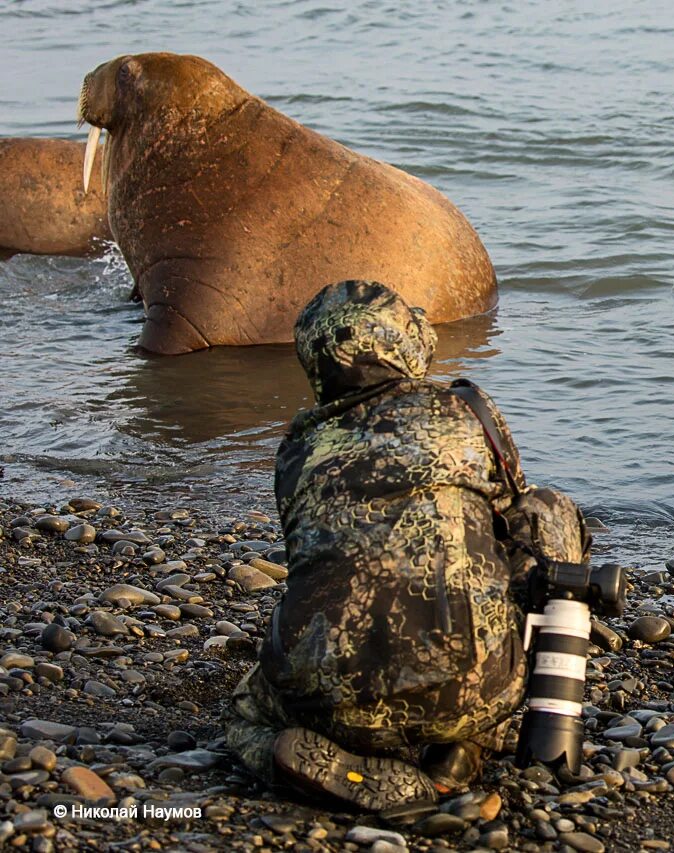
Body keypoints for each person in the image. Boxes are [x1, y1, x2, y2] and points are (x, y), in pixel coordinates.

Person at [224, 280, 590, 811]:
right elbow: (516, 519)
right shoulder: (465, 413)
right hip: (468, 690)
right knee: (549, 511)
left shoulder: (296, 450)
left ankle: (295, 756)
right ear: (404, 344)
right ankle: (463, 749)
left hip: (326, 702)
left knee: (243, 717)